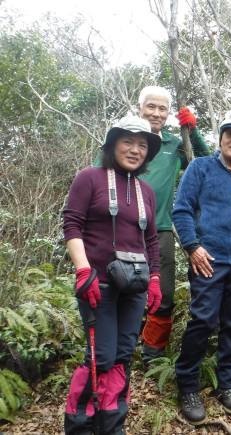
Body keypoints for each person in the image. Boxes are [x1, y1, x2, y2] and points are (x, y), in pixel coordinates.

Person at [63, 116, 163, 434]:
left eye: (142, 145)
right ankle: (81, 425)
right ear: (112, 144)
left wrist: (156, 279)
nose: (135, 150)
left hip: (134, 285)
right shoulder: (89, 178)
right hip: (98, 283)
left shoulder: (146, 190)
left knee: (122, 356)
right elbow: (72, 225)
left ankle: (112, 424)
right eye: (127, 142)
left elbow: (150, 241)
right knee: (100, 356)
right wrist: (83, 270)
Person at [172, 108, 231, 423]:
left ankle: (228, 387)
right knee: (202, 322)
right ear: (221, 137)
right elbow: (182, 210)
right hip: (208, 261)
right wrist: (192, 246)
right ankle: (187, 385)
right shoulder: (201, 168)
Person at [136, 86, 211, 364]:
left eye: (162, 108)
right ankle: (117, 346)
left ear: (168, 114)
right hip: (121, 229)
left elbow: (204, 161)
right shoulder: (123, 139)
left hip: (161, 229)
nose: (156, 113)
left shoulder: (171, 144)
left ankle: (152, 354)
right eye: (151, 107)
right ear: (140, 108)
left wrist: (192, 131)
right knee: (121, 289)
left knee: (164, 293)